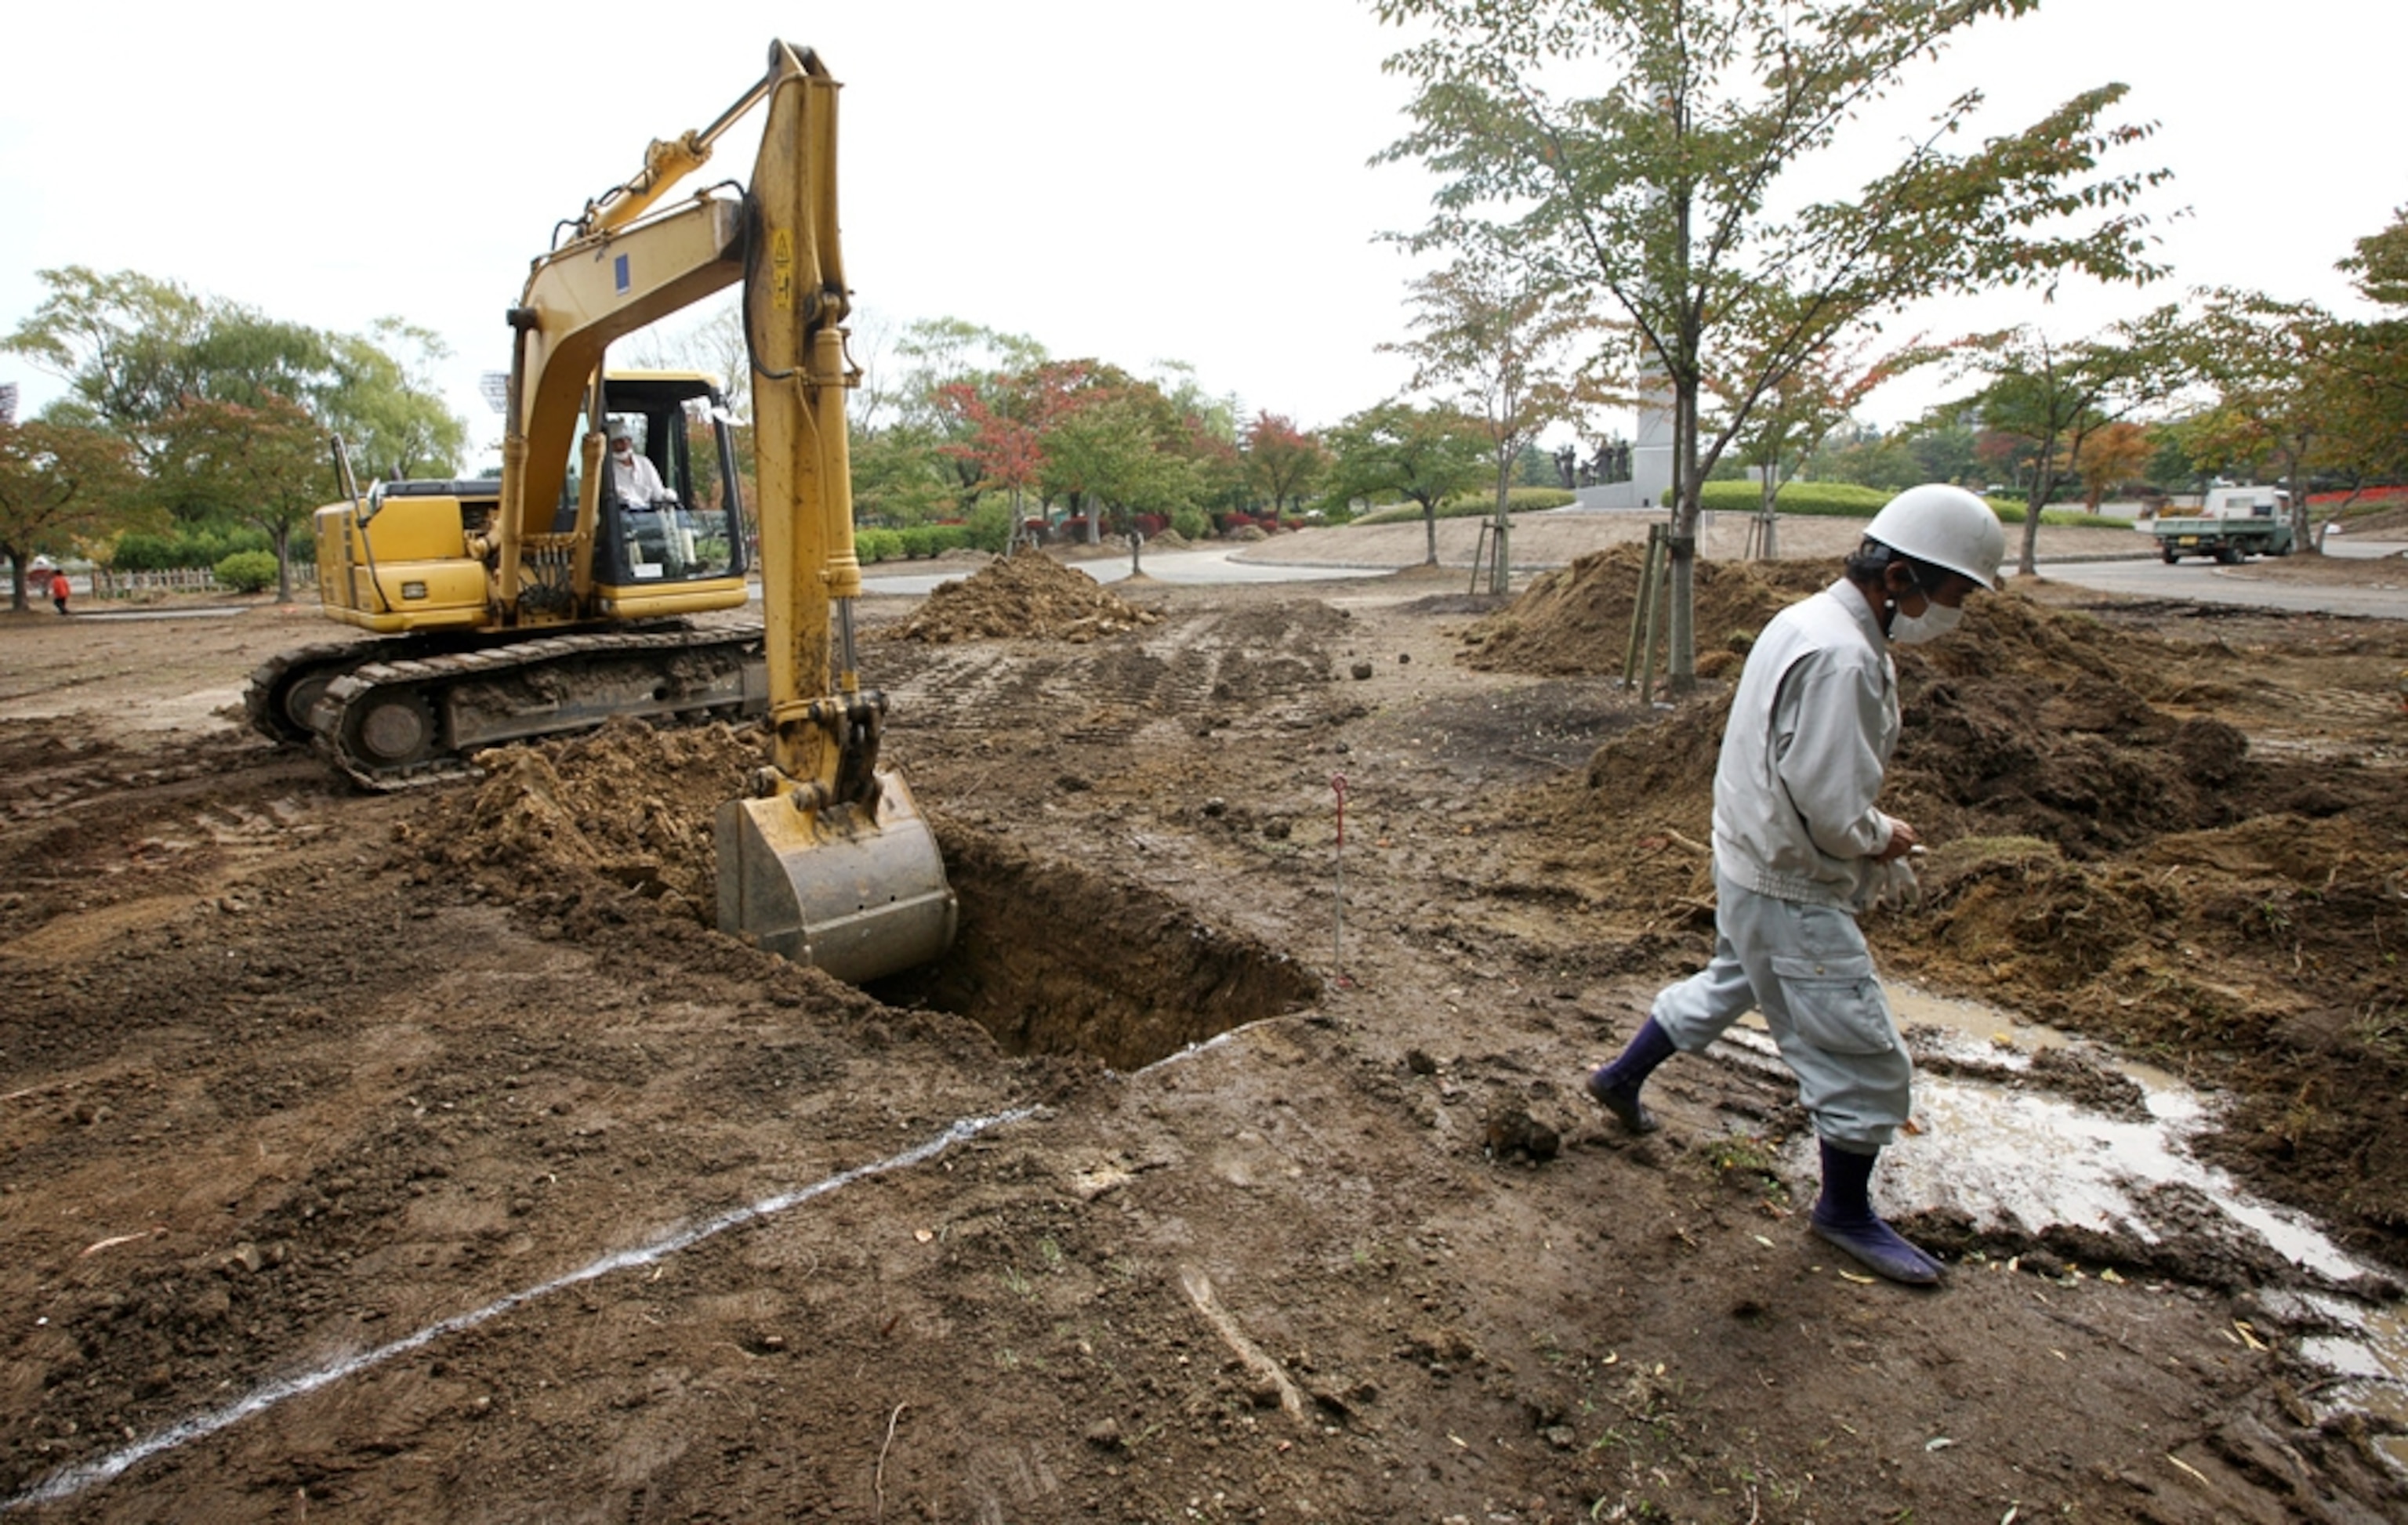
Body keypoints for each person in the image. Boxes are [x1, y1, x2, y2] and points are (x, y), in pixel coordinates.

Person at [1583, 484, 2006, 1287]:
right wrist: (1883, 836)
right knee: (1864, 1051)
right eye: (1953, 593)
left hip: (1748, 853)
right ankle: (1844, 1210)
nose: (1955, 609)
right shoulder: (1843, 655)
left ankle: (1619, 1077)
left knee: (1730, 980)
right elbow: (1829, 801)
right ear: (1899, 577)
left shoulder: (1807, 617)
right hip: (1788, 880)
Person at [607, 421, 670, 506]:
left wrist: (667, 496)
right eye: (618, 442)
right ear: (609, 445)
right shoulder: (606, 469)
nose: (624, 445)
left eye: (627, 440)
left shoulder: (644, 463)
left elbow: (659, 495)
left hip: (648, 517)